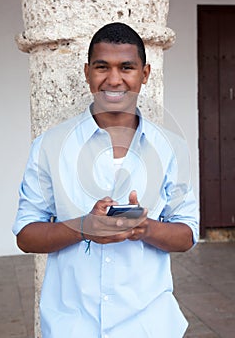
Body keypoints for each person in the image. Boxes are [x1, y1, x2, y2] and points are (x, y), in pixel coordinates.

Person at [13, 22, 199, 338]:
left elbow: (187, 235)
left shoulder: (171, 148)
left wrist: (146, 228)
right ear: (87, 73)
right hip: (71, 326)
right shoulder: (50, 146)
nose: (114, 79)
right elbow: (26, 235)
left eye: (127, 67)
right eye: (102, 67)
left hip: (150, 325)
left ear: (145, 73)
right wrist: (82, 227)